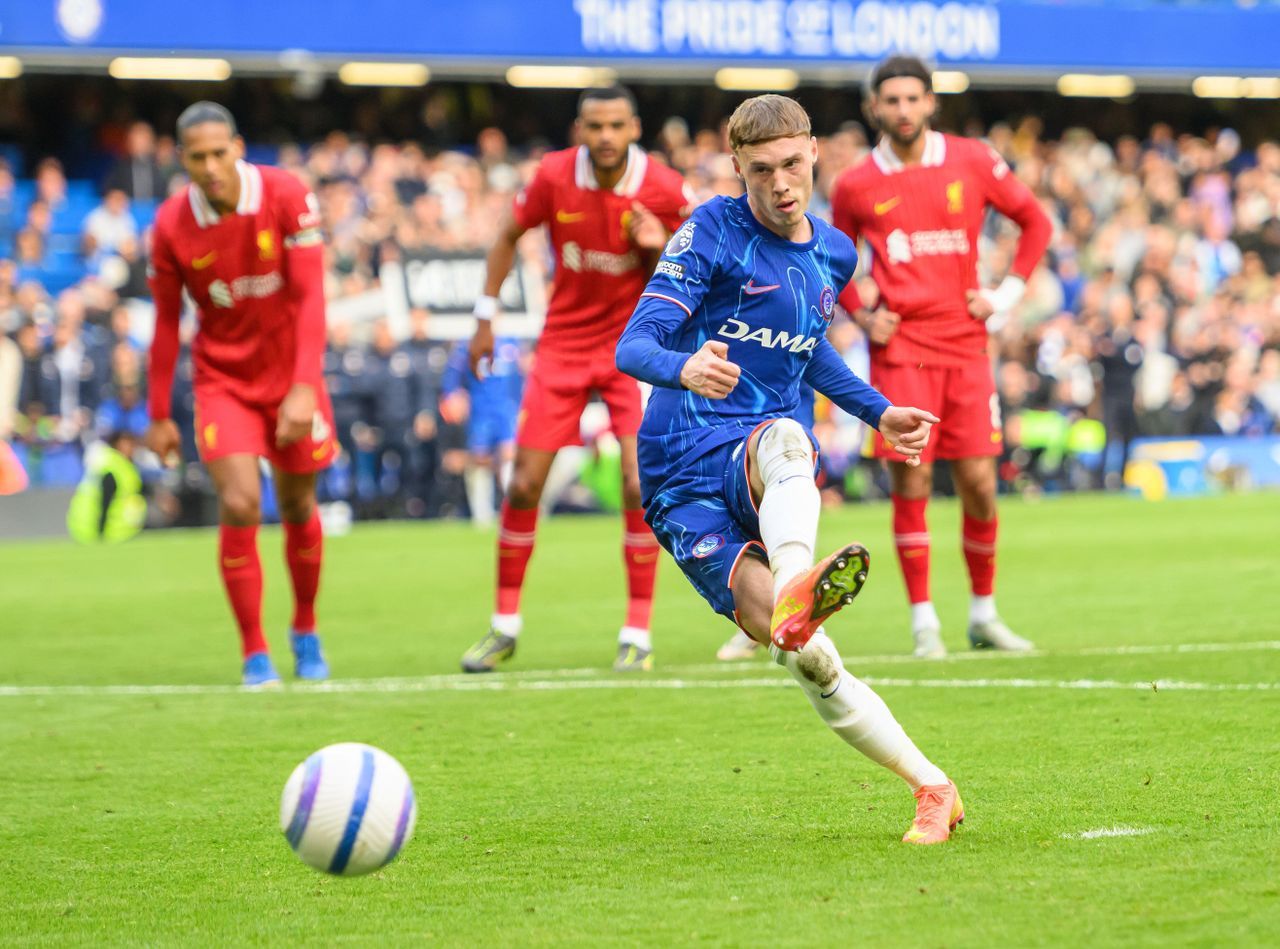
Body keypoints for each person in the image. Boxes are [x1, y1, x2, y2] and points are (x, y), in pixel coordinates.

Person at [616, 94, 962, 845]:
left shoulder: (834, 253)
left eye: (793, 165)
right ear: (738, 167)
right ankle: (929, 777)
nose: (781, 184)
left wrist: (878, 411)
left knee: (786, 438)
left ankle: (928, 783)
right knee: (804, 653)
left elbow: (809, 348)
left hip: (758, 442)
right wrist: (683, 366)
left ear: (815, 156)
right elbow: (634, 345)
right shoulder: (711, 230)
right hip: (678, 467)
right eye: (762, 170)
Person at [460, 85, 692, 674]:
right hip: (563, 345)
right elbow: (507, 235)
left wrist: (659, 248)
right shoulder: (553, 176)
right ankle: (504, 627)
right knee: (522, 485)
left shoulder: (665, 188)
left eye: (616, 125)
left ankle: (636, 632)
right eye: (595, 126)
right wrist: (485, 317)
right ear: (579, 130)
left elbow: (698, 269)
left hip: (633, 350)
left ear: (634, 127)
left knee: (639, 485)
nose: (606, 136)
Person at [828, 56, 1053, 659]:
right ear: (874, 107)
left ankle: (983, 614)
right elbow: (834, 259)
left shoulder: (972, 160)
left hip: (965, 344)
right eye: (891, 100)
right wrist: (862, 312)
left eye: (913, 98)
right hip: (901, 351)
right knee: (914, 479)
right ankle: (924, 622)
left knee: (979, 482)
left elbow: (1035, 222)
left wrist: (1004, 296)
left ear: (931, 102)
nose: (903, 110)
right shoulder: (854, 184)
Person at [146, 102, 338, 687]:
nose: (209, 167)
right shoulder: (170, 225)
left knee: (299, 506)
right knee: (240, 503)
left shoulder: (286, 195)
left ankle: (305, 628)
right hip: (222, 380)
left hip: (291, 376)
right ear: (181, 159)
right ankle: (255, 651)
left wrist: (303, 387)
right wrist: (158, 413)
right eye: (196, 157)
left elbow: (310, 298)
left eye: (218, 153)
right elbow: (165, 324)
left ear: (238, 148)